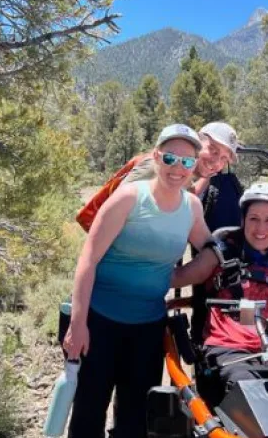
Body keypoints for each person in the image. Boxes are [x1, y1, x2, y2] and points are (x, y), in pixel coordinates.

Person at [62, 124, 218, 438]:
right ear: (157, 157)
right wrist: (78, 324)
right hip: (100, 321)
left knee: (136, 418)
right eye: (171, 158)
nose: (178, 168)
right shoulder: (130, 198)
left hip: (148, 326)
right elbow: (88, 259)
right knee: (88, 410)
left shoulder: (191, 207)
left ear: (194, 167)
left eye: (187, 162)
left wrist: (184, 274)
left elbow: (210, 247)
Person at [173, 183, 268, 395]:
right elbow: (178, 277)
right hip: (231, 347)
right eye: (254, 219)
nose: (260, 228)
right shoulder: (222, 252)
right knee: (246, 387)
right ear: (243, 220)